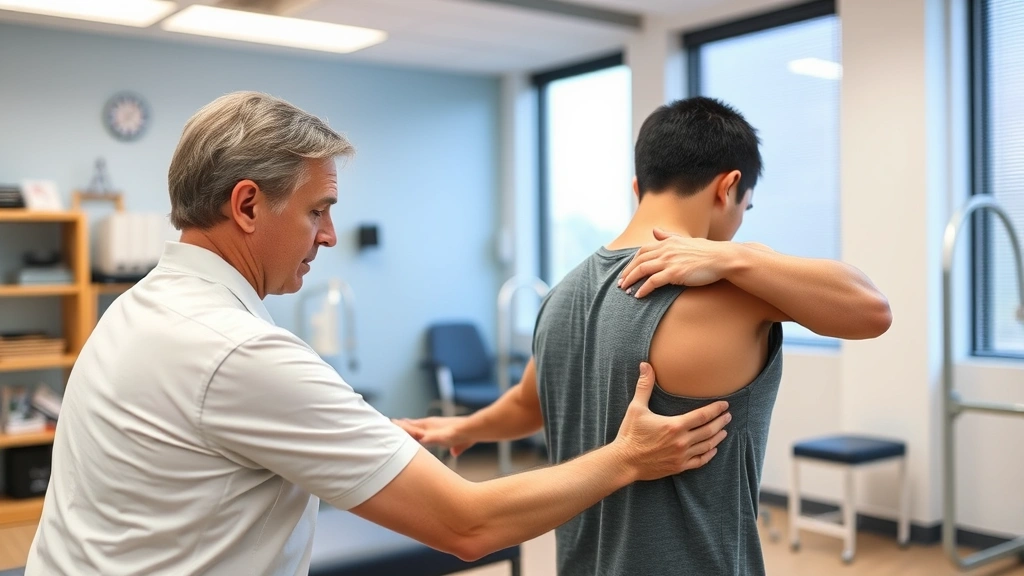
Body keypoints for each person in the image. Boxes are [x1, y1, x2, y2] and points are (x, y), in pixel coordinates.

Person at [21, 91, 734, 575]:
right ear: (246, 205)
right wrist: (627, 458)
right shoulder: (236, 349)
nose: (330, 235)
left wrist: (377, 435)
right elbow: (468, 523)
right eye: (316, 211)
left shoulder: (139, 309)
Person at [399, 97, 892, 576]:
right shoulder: (730, 291)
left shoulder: (561, 295)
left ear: (640, 187)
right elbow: (871, 310)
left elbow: (530, 404)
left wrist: (464, 428)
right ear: (728, 187)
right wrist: (736, 257)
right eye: (747, 206)